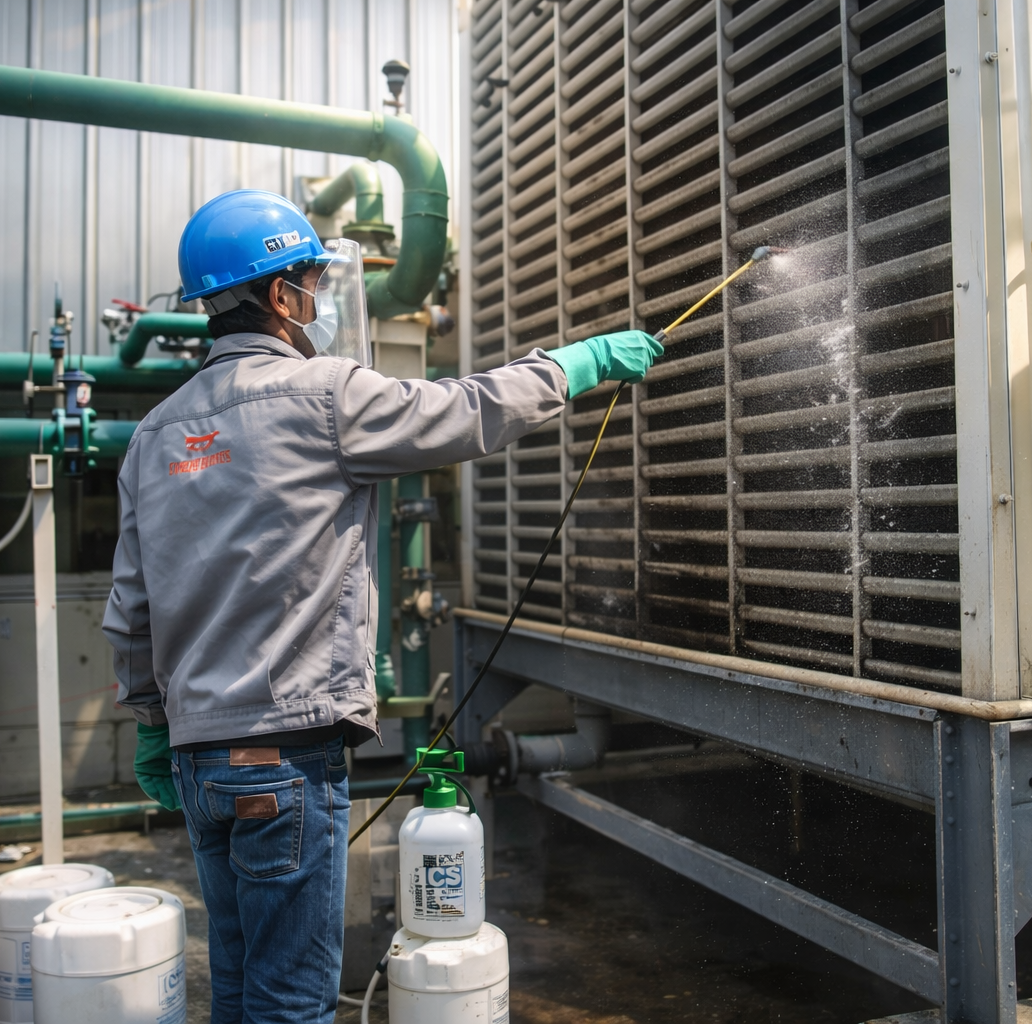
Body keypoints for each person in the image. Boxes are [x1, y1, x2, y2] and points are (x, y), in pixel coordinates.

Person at [102, 189, 660, 1024]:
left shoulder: (155, 436)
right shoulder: (325, 397)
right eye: (310, 283)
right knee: (292, 1001)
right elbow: (464, 411)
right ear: (280, 295)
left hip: (198, 762)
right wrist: (575, 365)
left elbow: (131, 606)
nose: (319, 300)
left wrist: (152, 722)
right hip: (286, 759)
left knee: (243, 982)